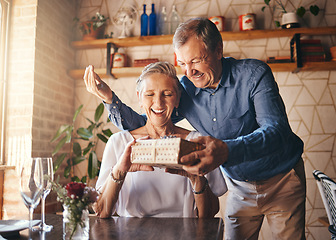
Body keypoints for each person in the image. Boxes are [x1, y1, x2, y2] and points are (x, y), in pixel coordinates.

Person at [85, 18, 306, 239]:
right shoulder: (188, 89)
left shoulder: (254, 74)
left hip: (281, 178)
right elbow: (151, 122)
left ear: (218, 50)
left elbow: (277, 131)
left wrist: (226, 151)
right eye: (182, 64)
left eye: (196, 61)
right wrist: (109, 98)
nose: (189, 73)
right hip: (240, 187)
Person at [90, 62, 227, 219]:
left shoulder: (197, 142)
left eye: (167, 94)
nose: (159, 102)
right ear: (139, 99)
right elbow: (101, 211)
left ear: (177, 100)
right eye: (149, 94)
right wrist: (120, 170)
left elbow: (210, 213)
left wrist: (196, 179)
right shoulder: (118, 142)